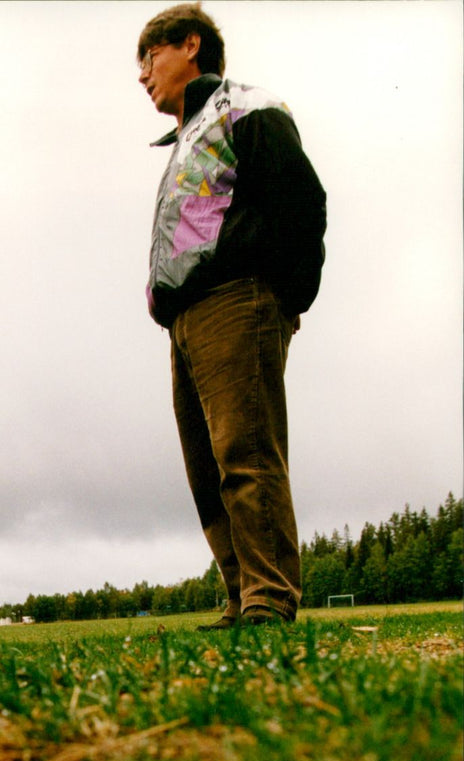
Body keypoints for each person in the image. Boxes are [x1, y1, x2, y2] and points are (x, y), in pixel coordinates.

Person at [137, 4, 326, 627]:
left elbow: (301, 201)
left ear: (190, 45)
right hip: (186, 317)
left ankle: (271, 597)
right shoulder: (188, 133)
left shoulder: (248, 107)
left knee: (245, 451)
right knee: (206, 466)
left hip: (236, 302)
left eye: (150, 57)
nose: (142, 75)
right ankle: (242, 594)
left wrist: (284, 299)